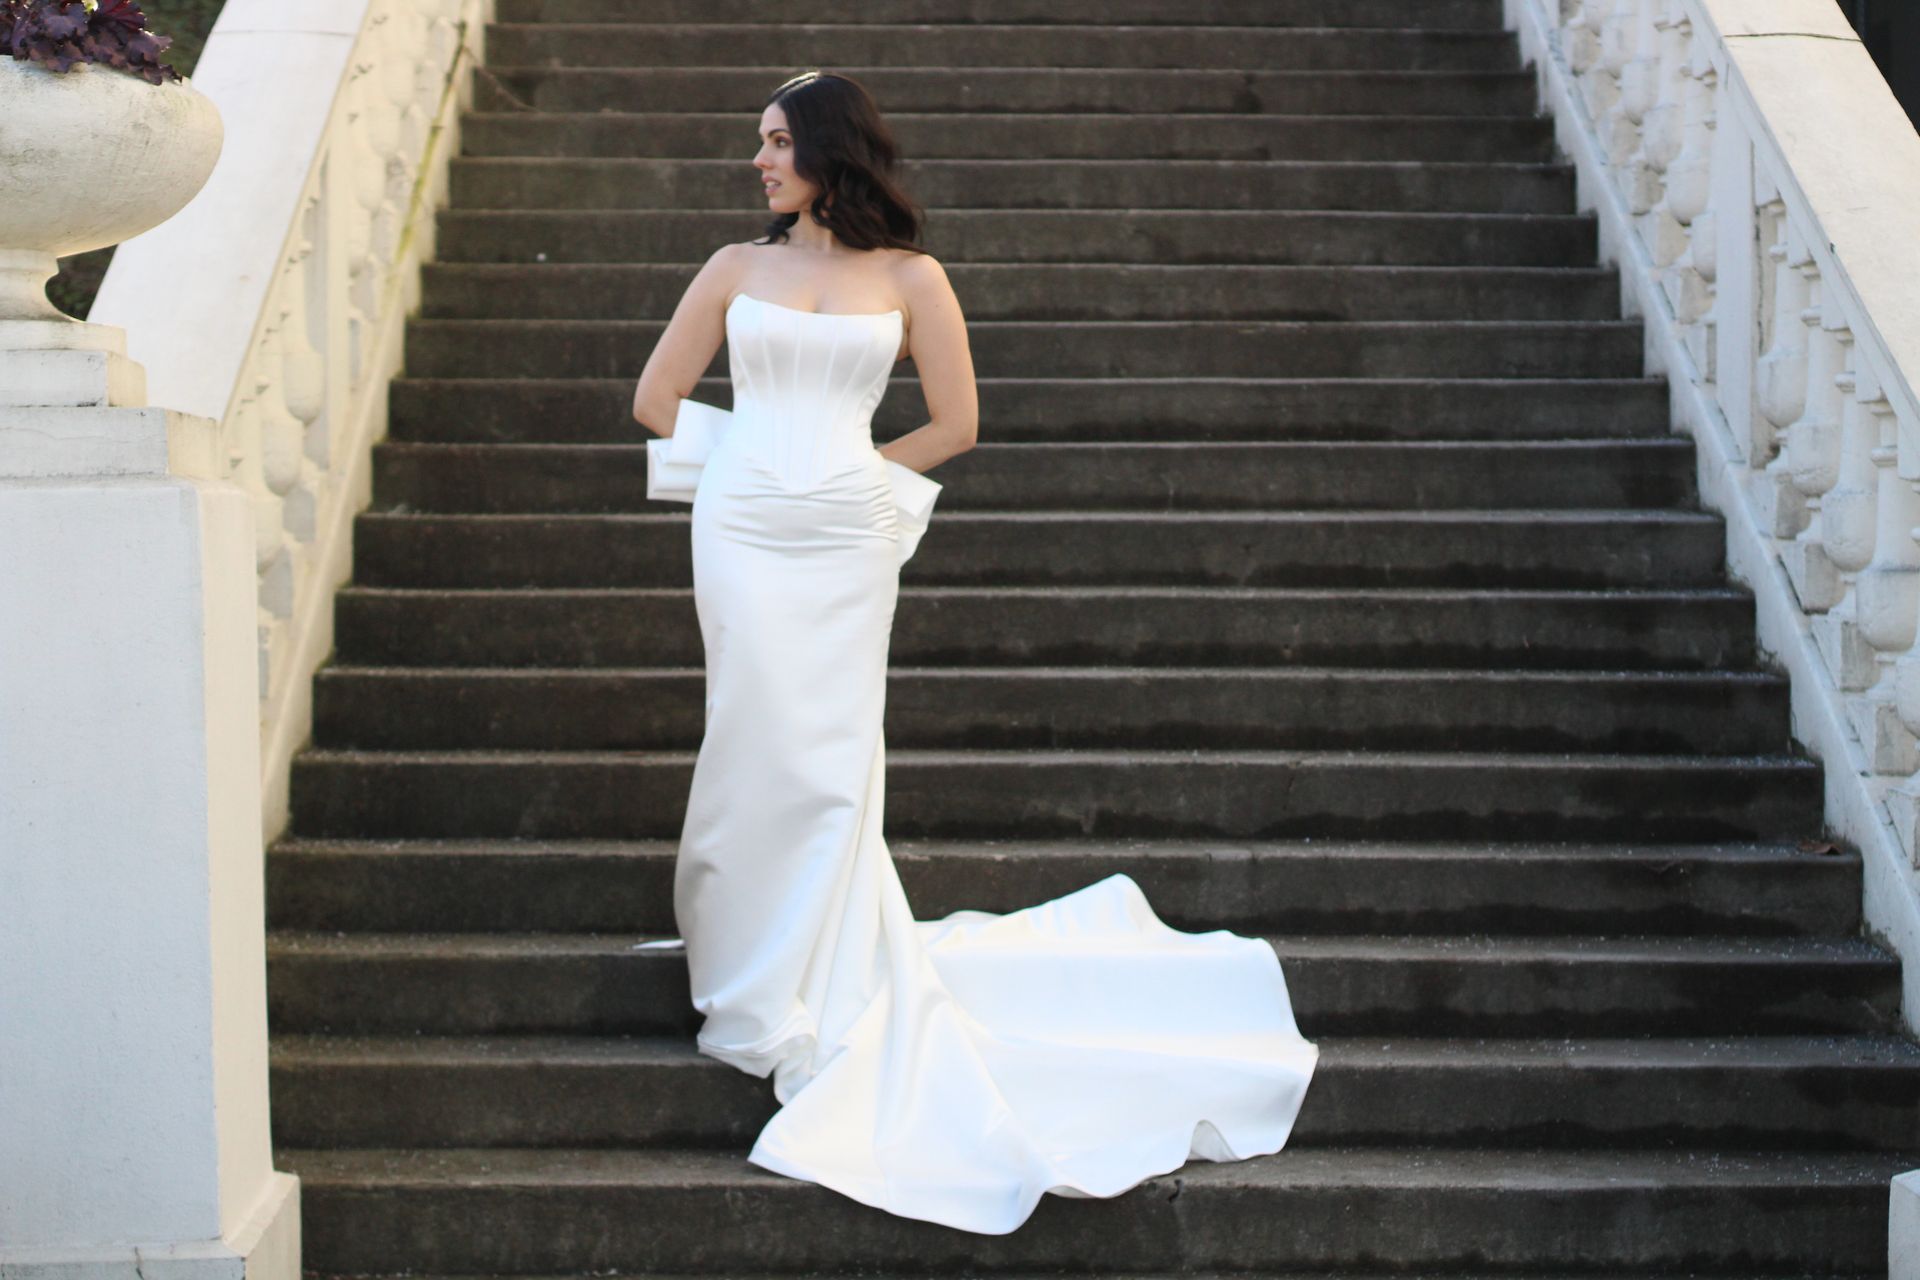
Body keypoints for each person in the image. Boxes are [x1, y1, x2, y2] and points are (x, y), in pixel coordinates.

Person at [627, 70, 1317, 1236]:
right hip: (742, 526)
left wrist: (853, 478)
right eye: (759, 141)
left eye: (779, 141)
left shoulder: (912, 278)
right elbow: (657, 399)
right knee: (751, 728)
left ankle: (823, 962)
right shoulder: (732, 269)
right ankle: (744, 952)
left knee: (832, 749)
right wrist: (760, 464)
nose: (759, 160)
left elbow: (957, 422)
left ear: (831, 153)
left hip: (848, 533)